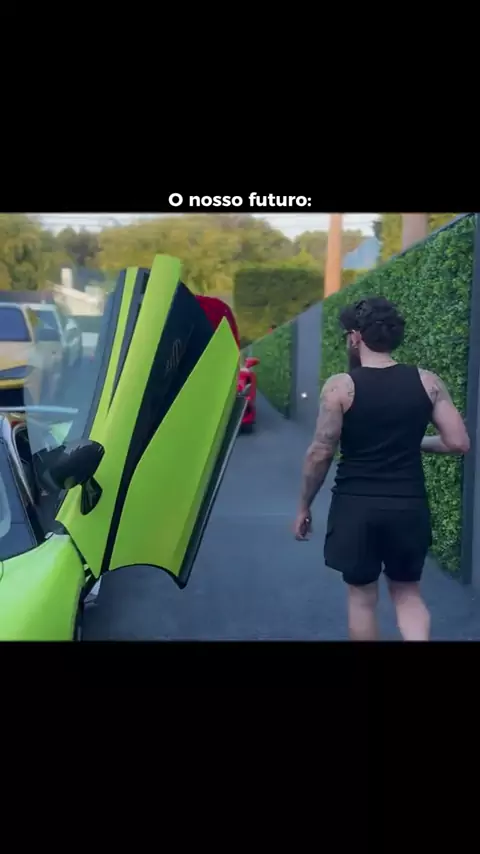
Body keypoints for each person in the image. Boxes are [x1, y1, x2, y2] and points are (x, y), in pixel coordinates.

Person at [293, 296, 470, 641]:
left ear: (356, 337)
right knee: (408, 593)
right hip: (408, 506)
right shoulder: (427, 382)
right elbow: (458, 442)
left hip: (356, 508)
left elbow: (320, 453)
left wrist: (304, 506)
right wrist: (413, 442)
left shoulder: (340, 387)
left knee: (362, 599)